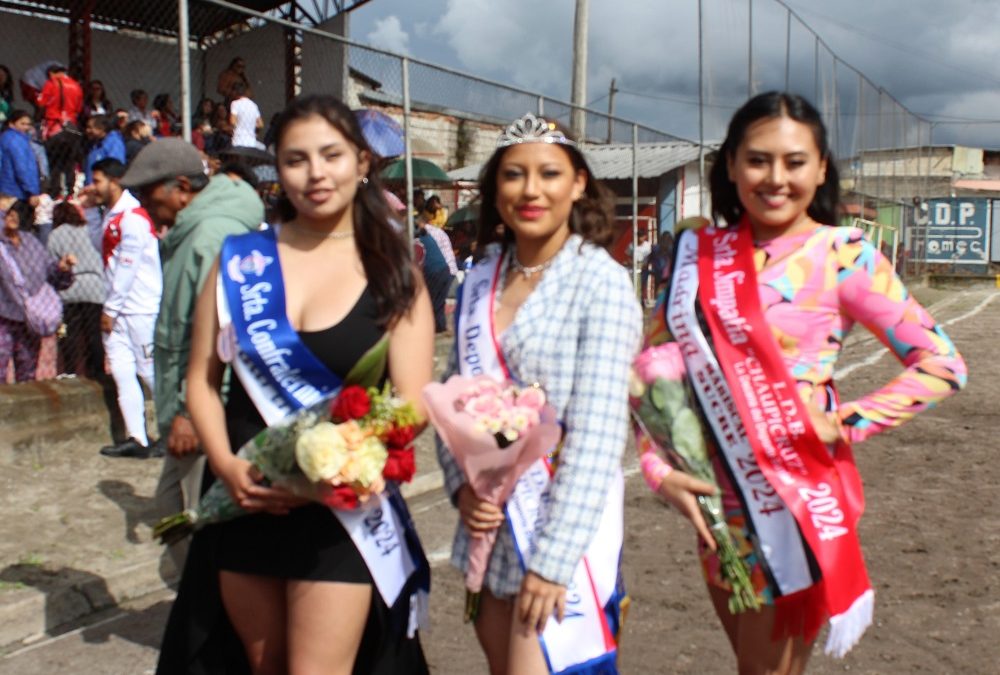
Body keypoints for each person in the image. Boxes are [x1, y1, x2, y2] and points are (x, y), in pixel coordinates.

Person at [643, 92, 968, 674]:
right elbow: (652, 369)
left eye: (794, 162)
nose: (775, 178)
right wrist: (659, 470)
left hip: (792, 503)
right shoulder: (695, 252)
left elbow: (941, 363)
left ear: (820, 169)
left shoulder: (844, 255)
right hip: (717, 510)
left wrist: (841, 422)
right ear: (732, 166)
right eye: (757, 160)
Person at [158, 94, 434, 674]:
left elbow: (412, 404)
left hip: (339, 512)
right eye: (295, 159)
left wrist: (337, 472)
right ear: (277, 170)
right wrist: (228, 468)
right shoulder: (240, 261)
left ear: (362, 162)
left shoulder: (394, 273)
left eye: (331, 155)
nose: (315, 174)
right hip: (246, 498)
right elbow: (202, 382)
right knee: (257, 665)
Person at [435, 113, 642, 674]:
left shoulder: (600, 281)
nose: (530, 190)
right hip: (490, 526)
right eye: (513, 175)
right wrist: (461, 490)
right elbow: (453, 400)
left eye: (549, 173)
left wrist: (552, 563)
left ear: (578, 184)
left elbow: (598, 440)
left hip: (558, 533)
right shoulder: (481, 277)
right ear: (494, 189)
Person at [118, 138, 262, 573]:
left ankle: (213, 606)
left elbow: (222, 332)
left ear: (181, 187)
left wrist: (188, 411)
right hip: (195, 402)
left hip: (201, 407)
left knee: (185, 516)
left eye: (148, 193)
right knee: (185, 516)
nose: (144, 204)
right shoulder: (197, 230)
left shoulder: (207, 235)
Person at [85, 158, 163, 459]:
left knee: (149, 373)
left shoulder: (133, 218)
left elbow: (127, 270)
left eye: (99, 180)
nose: (95, 186)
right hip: (119, 310)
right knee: (121, 371)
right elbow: (99, 246)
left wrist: (111, 309)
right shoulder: (114, 215)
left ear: (115, 182)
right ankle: (137, 438)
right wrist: (90, 211)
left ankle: (173, 434)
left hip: (139, 308)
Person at [0, 200, 75, 382]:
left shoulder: (31, 241)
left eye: (16, 211)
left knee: (28, 372)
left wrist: (61, 268)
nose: (13, 215)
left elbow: (49, 271)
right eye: (7, 213)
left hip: (30, 318)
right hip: (3, 317)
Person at [46, 200, 105, 377]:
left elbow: (52, 266)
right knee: (93, 333)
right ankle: (97, 370)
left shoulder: (55, 235)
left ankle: (70, 371)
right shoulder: (90, 231)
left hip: (70, 287)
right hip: (94, 285)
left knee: (70, 333)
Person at [0, 110, 41, 204]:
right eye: (22, 124)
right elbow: (22, 167)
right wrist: (32, 191)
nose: (26, 127)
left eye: (28, 124)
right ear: (11, 124)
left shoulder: (5, 138)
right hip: (16, 191)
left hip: (5, 188)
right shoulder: (17, 141)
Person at [35, 64, 82, 140]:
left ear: (51, 73)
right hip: (71, 124)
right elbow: (78, 108)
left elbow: (41, 104)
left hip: (53, 123)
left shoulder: (50, 83)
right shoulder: (76, 86)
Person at [83, 114, 126, 185]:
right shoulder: (95, 143)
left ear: (101, 128)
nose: (87, 131)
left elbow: (114, 168)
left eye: (90, 127)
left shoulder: (114, 143)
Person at [228, 81, 263, 149]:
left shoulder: (235, 103)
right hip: (251, 141)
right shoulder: (253, 105)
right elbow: (260, 124)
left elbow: (233, 122)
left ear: (234, 92)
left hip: (238, 140)